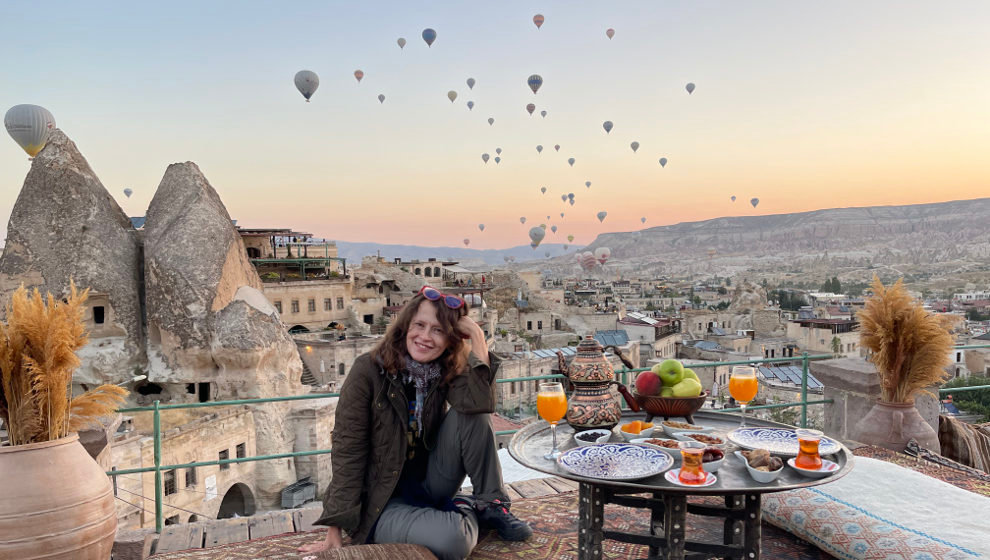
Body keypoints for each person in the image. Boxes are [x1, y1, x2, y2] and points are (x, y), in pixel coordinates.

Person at [299, 286, 532, 559]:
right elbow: (347, 449)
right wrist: (335, 527)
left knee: (472, 414)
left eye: (438, 330)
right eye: (419, 325)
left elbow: (479, 405)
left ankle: (491, 504)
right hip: (382, 502)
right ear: (405, 326)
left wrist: (479, 339)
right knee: (454, 541)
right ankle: (466, 508)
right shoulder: (368, 371)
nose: (425, 337)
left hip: (429, 482)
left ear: (450, 339)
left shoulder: (445, 367)